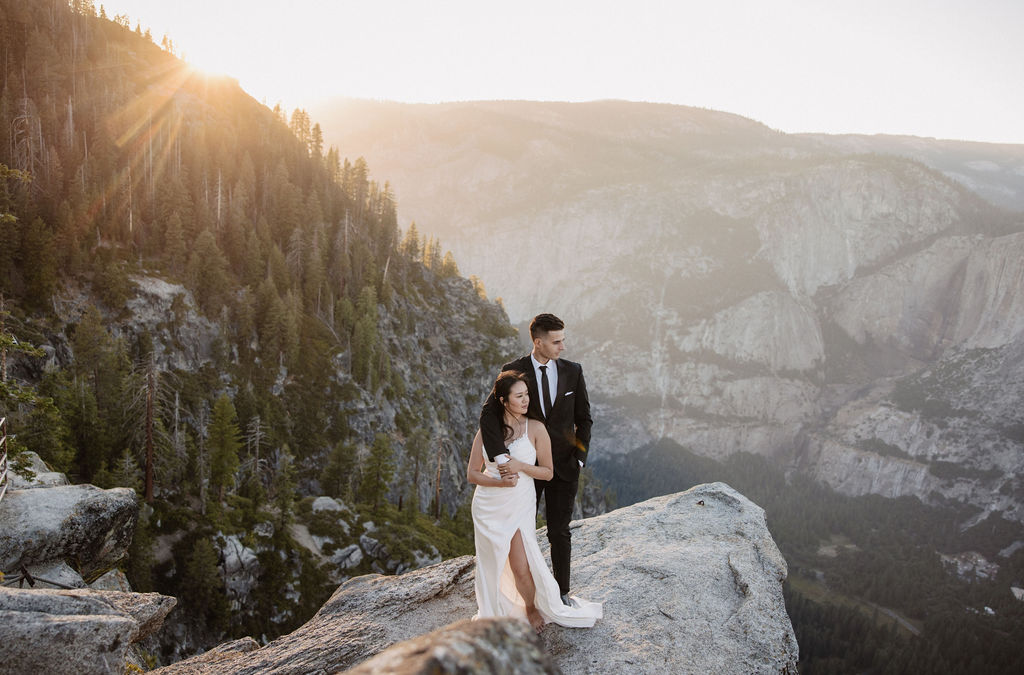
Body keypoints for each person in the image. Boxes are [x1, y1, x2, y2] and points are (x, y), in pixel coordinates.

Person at [467, 371, 601, 632]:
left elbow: (548, 472)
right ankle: (493, 612)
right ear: (504, 401)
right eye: (519, 396)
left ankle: (530, 607)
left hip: (519, 502)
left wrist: (520, 466)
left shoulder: (536, 428)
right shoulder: (487, 430)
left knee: (520, 566)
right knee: (490, 564)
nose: (526, 400)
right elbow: (472, 473)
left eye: (527, 394)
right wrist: (498, 482)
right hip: (488, 505)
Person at [479, 313, 592, 606]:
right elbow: (488, 414)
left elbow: (584, 418)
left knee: (560, 530)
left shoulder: (573, 371)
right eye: (556, 342)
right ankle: (524, 597)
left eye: (563, 340)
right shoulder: (513, 371)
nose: (562, 347)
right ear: (538, 342)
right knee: (522, 532)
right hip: (527, 467)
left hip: (565, 467)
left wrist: (580, 458)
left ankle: (562, 592)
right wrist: (501, 457)